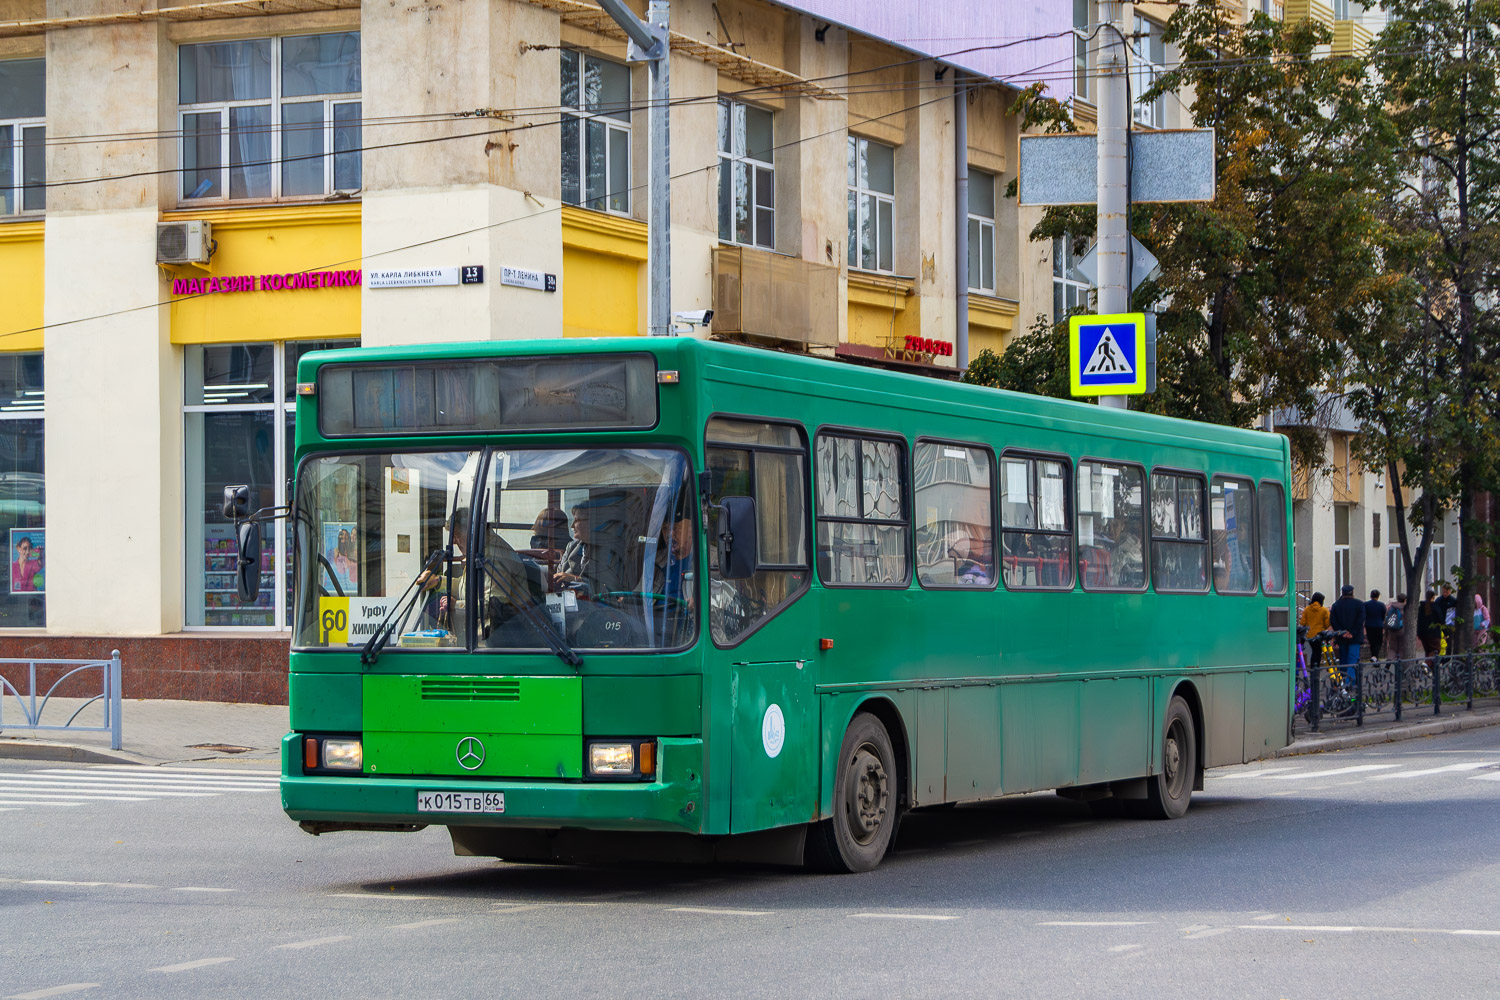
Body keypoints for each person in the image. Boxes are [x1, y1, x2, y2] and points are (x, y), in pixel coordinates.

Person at [1329, 584, 1365, 670]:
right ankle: (1351, 681)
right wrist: (1352, 632)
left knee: (1343, 659)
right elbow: (1360, 620)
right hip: (1355, 637)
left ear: (1342, 593)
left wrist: (1342, 632)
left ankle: (1343, 679)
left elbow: (1333, 621)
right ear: (1352, 593)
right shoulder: (1359, 604)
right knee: (1353, 660)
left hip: (1342, 637)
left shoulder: (1336, 605)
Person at [1300, 591, 1331, 674]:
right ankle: (1316, 670)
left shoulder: (1307, 609)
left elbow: (1302, 622)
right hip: (1320, 635)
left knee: (1314, 652)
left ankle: (1313, 669)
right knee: (1318, 653)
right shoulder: (1324, 610)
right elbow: (1327, 623)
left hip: (1309, 635)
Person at [1364, 589, 1388, 661]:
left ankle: (1374, 656)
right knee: (1378, 642)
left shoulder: (1366, 604)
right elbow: (1384, 615)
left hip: (1369, 625)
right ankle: (1375, 656)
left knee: (1372, 641)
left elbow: (1364, 614)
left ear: (1370, 596)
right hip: (1378, 625)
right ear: (1378, 596)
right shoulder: (1381, 605)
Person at [1435, 583, 1458, 653]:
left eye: (1446, 592)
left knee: (1449, 644)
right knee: (1439, 643)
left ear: (1450, 591)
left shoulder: (1453, 601)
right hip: (1440, 624)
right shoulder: (1439, 600)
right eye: (1443, 592)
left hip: (1449, 625)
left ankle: (1447, 660)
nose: (1444, 594)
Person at [1417, 590, 1440, 658]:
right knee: (1436, 650)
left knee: (1428, 651)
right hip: (1434, 633)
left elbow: (1419, 620)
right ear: (1433, 597)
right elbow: (1440, 619)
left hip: (1422, 633)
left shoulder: (1421, 607)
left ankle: (1430, 667)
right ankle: (1427, 664)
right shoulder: (1435, 607)